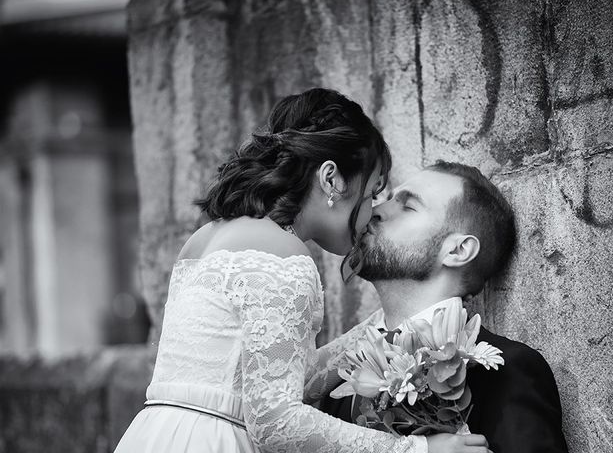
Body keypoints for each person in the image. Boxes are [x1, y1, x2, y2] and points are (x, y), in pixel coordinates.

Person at [114, 90, 491, 453]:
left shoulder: (206, 238)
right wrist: (417, 448)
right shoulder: (285, 257)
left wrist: (385, 329)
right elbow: (275, 422)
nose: (372, 213)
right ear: (331, 179)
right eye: (373, 193)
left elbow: (268, 380)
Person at [319, 161, 569, 453]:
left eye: (408, 206)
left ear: (458, 250)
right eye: (388, 200)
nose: (375, 210)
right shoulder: (340, 377)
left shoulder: (505, 371)